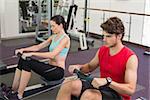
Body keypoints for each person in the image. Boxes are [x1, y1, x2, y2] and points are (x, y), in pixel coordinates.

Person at [56, 17, 138, 100]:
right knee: (67, 84)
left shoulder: (130, 58)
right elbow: (89, 67)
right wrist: (79, 67)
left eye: (108, 36)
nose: (104, 39)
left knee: (89, 95)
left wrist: (108, 82)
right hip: (102, 87)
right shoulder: (102, 50)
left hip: (118, 94)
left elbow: (130, 90)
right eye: (104, 36)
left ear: (119, 36)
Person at [6, 15, 70, 100]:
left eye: (53, 26)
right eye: (51, 26)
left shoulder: (65, 39)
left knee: (28, 61)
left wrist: (32, 54)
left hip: (57, 72)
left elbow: (52, 55)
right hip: (50, 68)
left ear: (61, 25)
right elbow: (38, 47)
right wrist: (23, 49)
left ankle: (19, 95)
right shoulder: (54, 37)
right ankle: (14, 89)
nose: (51, 28)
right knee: (23, 59)